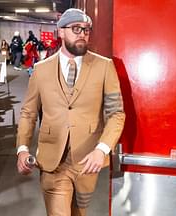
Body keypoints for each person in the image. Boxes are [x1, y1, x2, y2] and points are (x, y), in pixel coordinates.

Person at [16, 8, 125, 216]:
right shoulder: (41, 70)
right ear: (61, 32)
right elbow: (28, 113)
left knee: (79, 212)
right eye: (76, 29)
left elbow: (116, 113)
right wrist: (22, 147)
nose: (82, 34)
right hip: (52, 160)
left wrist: (101, 149)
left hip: (88, 160)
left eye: (86, 30)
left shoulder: (104, 67)